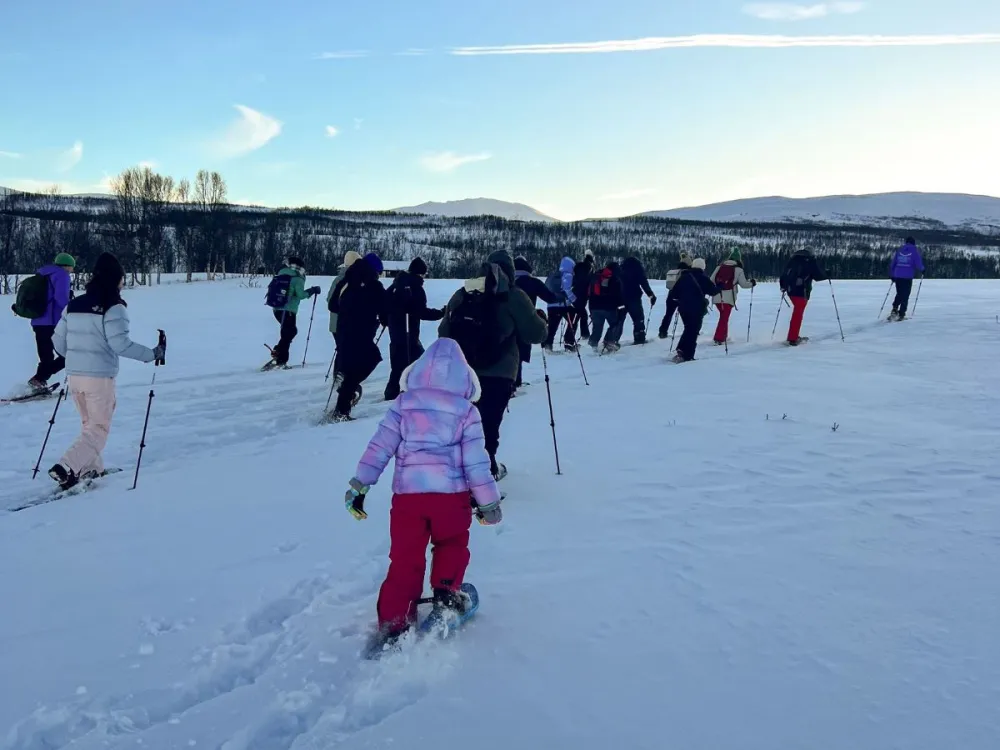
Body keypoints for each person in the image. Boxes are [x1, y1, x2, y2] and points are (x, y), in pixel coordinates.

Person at [343, 338, 503, 645]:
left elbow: (380, 447)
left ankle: (394, 619)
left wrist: (360, 484)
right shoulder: (466, 412)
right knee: (452, 543)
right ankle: (446, 594)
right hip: (450, 499)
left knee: (405, 557)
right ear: (464, 377)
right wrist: (488, 503)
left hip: (408, 500)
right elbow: (476, 462)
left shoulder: (403, 405)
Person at [49, 252, 165, 491]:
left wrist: (76, 356)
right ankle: (66, 466)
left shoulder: (74, 305)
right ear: (116, 279)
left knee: (88, 425)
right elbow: (120, 344)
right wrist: (153, 354)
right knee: (99, 429)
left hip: (75, 377)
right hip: (99, 377)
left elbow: (58, 343)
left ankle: (92, 468)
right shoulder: (114, 307)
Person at [439, 250, 548, 480]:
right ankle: (484, 475)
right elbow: (535, 333)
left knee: (464, 423)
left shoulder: (463, 293)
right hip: (499, 372)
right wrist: (541, 321)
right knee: (488, 424)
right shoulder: (513, 296)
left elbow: (443, 333)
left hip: (462, 373)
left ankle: (460, 471)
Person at [329, 253, 387, 421]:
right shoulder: (374, 286)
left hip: (342, 330)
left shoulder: (345, 281)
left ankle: (344, 397)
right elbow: (385, 310)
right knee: (371, 359)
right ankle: (343, 405)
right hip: (362, 333)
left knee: (351, 365)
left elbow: (333, 305)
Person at [383, 256, 445, 401]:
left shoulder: (396, 284)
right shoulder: (415, 288)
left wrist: (385, 319)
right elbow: (421, 312)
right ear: (420, 273)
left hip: (396, 332)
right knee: (421, 362)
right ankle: (421, 390)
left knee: (398, 364)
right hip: (408, 332)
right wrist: (441, 313)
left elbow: (384, 303)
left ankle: (391, 393)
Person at [27, 253, 76, 391]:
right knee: (69, 353)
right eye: (72, 267)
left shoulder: (42, 274)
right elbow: (61, 299)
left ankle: (38, 380)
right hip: (53, 322)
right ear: (67, 266)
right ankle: (39, 379)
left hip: (37, 320)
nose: (72, 270)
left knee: (46, 355)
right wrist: (72, 309)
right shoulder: (62, 275)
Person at [513, 256, 561, 389]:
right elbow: (550, 298)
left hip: (504, 320)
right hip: (525, 322)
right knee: (520, 351)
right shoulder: (532, 282)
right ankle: (515, 382)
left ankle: (510, 381)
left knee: (508, 351)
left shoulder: (504, 281)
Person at [266, 256, 321, 368]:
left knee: (287, 332)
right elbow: (300, 295)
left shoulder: (281, 274)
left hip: (277, 309)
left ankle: (279, 355)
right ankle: (280, 357)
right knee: (290, 332)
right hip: (289, 310)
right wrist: (312, 290)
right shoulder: (297, 278)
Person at [670, 258, 721, 363]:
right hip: (696, 309)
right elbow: (713, 291)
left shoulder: (683, 277)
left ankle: (681, 350)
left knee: (688, 328)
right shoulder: (703, 278)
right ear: (703, 267)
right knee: (693, 331)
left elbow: (673, 294)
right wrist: (720, 286)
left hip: (683, 308)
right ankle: (687, 355)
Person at [780, 249, 828, 346]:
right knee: (798, 314)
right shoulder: (810, 261)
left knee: (797, 313)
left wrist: (783, 286)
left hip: (790, 291)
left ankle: (793, 335)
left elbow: (784, 274)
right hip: (802, 292)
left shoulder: (793, 260)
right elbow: (818, 276)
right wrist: (827, 274)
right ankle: (793, 338)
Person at [327, 250, 362, 385]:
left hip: (334, 323)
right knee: (345, 350)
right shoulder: (351, 279)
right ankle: (341, 375)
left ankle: (338, 374)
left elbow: (329, 299)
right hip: (344, 322)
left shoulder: (337, 279)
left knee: (341, 348)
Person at [709, 250, 756, 345]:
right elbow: (743, 284)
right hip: (729, 297)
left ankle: (723, 336)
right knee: (724, 317)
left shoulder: (719, 267)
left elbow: (711, 280)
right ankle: (718, 338)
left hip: (717, 296)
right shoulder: (738, 270)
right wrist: (752, 283)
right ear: (738, 259)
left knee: (723, 316)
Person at [588, 261, 626, 353]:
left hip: (594, 307)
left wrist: (591, 309)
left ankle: (592, 345)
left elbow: (590, 293)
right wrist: (622, 307)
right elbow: (618, 296)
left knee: (597, 327)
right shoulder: (615, 279)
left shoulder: (596, 276)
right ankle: (609, 342)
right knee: (615, 324)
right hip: (609, 308)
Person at [542, 256, 578, 352]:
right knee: (573, 320)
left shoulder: (552, 276)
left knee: (552, 326)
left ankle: (548, 345)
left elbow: (545, 288)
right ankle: (569, 343)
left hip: (551, 305)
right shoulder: (567, 275)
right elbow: (567, 290)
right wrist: (573, 299)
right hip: (563, 305)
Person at [620, 256, 657, 344]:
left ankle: (612, 340)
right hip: (634, 298)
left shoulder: (620, 269)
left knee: (619, 320)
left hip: (620, 299)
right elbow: (644, 283)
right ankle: (639, 338)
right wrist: (651, 295)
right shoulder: (638, 269)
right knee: (638, 319)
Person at [888, 237, 925, 320]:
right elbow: (918, 263)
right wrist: (923, 269)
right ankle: (901, 314)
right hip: (907, 277)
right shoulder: (914, 251)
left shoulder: (900, 250)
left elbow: (893, 263)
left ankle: (894, 309)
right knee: (905, 294)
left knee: (900, 293)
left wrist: (892, 275)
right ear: (913, 243)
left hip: (898, 275)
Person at [658, 253, 692, 339]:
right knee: (686, 315)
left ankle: (662, 331)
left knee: (668, 314)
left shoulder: (674, 272)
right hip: (682, 297)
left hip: (671, 296)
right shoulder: (688, 273)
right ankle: (690, 330)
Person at [571, 250, 596, 339]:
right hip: (583, 294)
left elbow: (574, 279)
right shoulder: (589, 268)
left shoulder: (578, 266)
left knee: (579, 314)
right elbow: (590, 281)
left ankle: (582, 334)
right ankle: (579, 335)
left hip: (575, 293)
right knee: (580, 315)